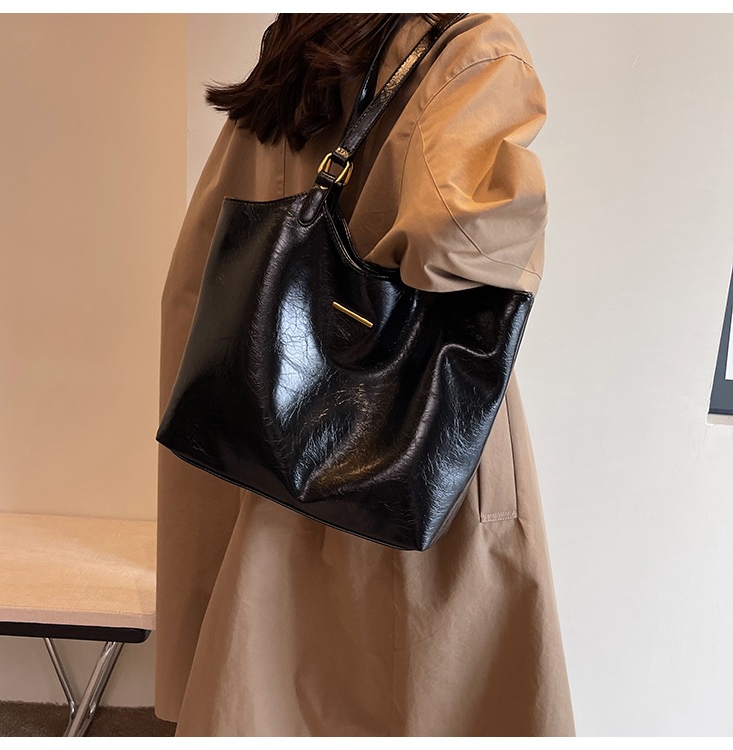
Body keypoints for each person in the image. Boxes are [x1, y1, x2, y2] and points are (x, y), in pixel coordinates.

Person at [155, 12, 576, 736]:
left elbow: (198, 274)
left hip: (274, 441)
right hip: (410, 445)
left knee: (267, 680)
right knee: (420, 684)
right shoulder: (471, 48)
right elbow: (455, 235)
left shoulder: (303, 43)